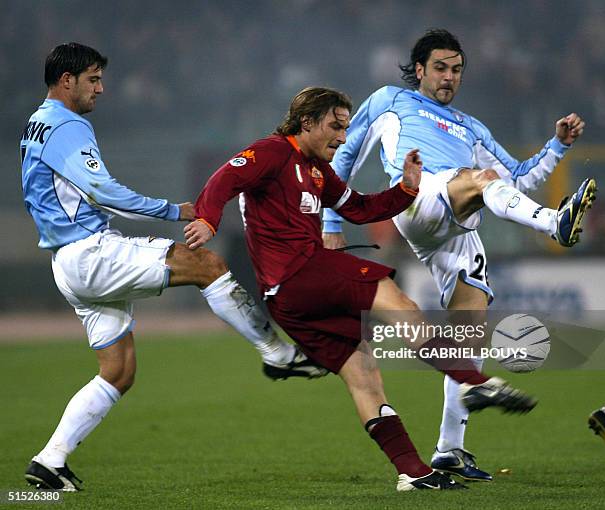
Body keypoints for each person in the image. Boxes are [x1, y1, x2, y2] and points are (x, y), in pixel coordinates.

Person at [184, 86, 538, 492]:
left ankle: (412, 471)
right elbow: (224, 179)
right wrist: (209, 220)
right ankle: (473, 382)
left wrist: (405, 189)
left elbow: (359, 208)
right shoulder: (272, 151)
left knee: (363, 372)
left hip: (287, 302)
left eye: (347, 127)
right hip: (302, 273)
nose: (342, 136)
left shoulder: (317, 170)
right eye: (335, 126)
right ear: (307, 122)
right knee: (394, 297)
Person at [20, 43, 325, 492]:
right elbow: (102, 190)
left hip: (66, 266)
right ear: (67, 81)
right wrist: (173, 210)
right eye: (93, 79)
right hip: (90, 251)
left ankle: (50, 461)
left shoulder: (36, 124)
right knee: (206, 264)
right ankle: (278, 353)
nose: (100, 89)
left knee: (118, 371)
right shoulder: (67, 125)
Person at [322, 28, 597, 482]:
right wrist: (332, 224)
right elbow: (346, 156)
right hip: (415, 195)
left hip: (455, 221)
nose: (449, 78)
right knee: (480, 177)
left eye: (456, 70)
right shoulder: (391, 100)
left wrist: (557, 145)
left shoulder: (472, 127)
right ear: (419, 70)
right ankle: (554, 224)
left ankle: (450, 449)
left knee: (468, 336)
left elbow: (519, 179)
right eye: (440, 68)